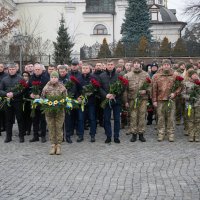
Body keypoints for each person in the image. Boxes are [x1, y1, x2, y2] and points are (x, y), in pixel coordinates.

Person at [152, 59, 182, 142]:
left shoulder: (175, 75)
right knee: (161, 118)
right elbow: (154, 89)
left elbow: (180, 87)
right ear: (162, 66)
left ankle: (170, 134)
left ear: (170, 65)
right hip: (160, 100)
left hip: (171, 100)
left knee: (171, 118)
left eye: (167, 64)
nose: (166, 66)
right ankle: (161, 133)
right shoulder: (156, 76)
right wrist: (154, 100)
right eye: (164, 64)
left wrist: (175, 93)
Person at [123, 58, 150, 142]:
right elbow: (125, 90)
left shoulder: (146, 75)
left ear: (140, 65)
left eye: (138, 63)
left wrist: (146, 90)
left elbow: (150, 86)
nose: (136, 64)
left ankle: (141, 133)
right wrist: (126, 101)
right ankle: (134, 133)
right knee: (133, 116)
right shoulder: (127, 75)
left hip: (143, 99)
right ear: (133, 65)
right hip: (132, 99)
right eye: (135, 63)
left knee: (142, 116)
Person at [42, 71, 67, 155]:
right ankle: (53, 145)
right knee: (51, 127)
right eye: (52, 77)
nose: (54, 79)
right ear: (50, 78)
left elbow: (65, 99)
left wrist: (61, 104)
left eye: (55, 77)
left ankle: (59, 146)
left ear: (58, 78)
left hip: (59, 111)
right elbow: (43, 98)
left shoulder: (62, 87)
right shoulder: (46, 87)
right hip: (49, 112)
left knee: (59, 128)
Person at [0, 63, 26, 143]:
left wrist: (13, 94)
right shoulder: (4, 79)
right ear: (8, 70)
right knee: (8, 120)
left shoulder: (21, 78)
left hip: (18, 102)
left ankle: (21, 136)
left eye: (13, 69)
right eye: (10, 69)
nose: (11, 71)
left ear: (16, 69)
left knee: (20, 119)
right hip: (8, 102)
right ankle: (8, 137)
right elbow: (0, 90)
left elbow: (23, 90)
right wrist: (6, 94)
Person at [99, 59, 122, 143]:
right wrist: (106, 95)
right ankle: (108, 136)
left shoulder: (118, 75)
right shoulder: (102, 76)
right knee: (106, 119)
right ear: (106, 65)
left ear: (114, 65)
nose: (110, 66)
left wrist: (115, 94)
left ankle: (116, 136)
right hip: (106, 100)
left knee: (116, 119)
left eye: (111, 64)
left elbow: (122, 88)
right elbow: (99, 88)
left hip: (116, 101)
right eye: (108, 64)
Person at [29, 63, 49, 143]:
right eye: (36, 69)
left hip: (42, 102)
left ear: (42, 70)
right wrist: (30, 94)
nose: (37, 71)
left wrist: (40, 96)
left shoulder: (45, 78)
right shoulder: (31, 78)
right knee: (34, 120)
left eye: (38, 69)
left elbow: (48, 90)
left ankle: (43, 136)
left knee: (43, 120)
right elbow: (27, 89)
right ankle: (35, 136)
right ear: (34, 70)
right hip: (34, 103)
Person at [182, 70, 200, 142]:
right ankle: (191, 135)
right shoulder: (186, 84)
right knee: (190, 120)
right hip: (189, 104)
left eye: (196, 74)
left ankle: (197, 135)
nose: (195, 75)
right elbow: (183, 94)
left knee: (198, 120)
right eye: (193, 74)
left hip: (198, 104)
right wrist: (189, 97)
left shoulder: (199, 83)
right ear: (190, 76)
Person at [0, 63, 7, 136]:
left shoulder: (6, 76)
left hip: (4, 95)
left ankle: (4, 126)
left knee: (4, 112)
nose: (0, 68)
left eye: (1, 67)